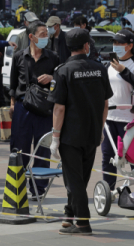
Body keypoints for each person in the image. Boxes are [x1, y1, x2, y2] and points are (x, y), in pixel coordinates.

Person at [48, 28, 113, 235]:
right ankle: (69, 214)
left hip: (70, 134)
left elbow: (59, 107)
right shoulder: (99, 69)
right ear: (87, 46)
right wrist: (101, 129)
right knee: (80, 178)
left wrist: (55, 137)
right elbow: (105, 104)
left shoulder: (63, 71)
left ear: (69, 47)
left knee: (74, 179)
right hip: (92, 132)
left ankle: (83, 222)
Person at [9, 21, 60, 200]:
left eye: (47, 34)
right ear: (31, 37)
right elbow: (13, 83)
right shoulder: (19, 57)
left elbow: (61, 81)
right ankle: (17, 187)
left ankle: (38, 189)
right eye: (42, 34)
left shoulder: (53, 58)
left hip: (45, 109)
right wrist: (12, 103)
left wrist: (52, 77)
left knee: (42, 149)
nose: (46, 37)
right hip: (23, 107)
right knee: (19, 147)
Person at [102, 30, 134, 195]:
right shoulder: (109, 64)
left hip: (130, 118)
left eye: (120, 43)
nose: (117, 46)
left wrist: (123, 70)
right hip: (110, 117)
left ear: (130, 45)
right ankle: (109, 190)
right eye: (115, 43)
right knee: (108, 156)